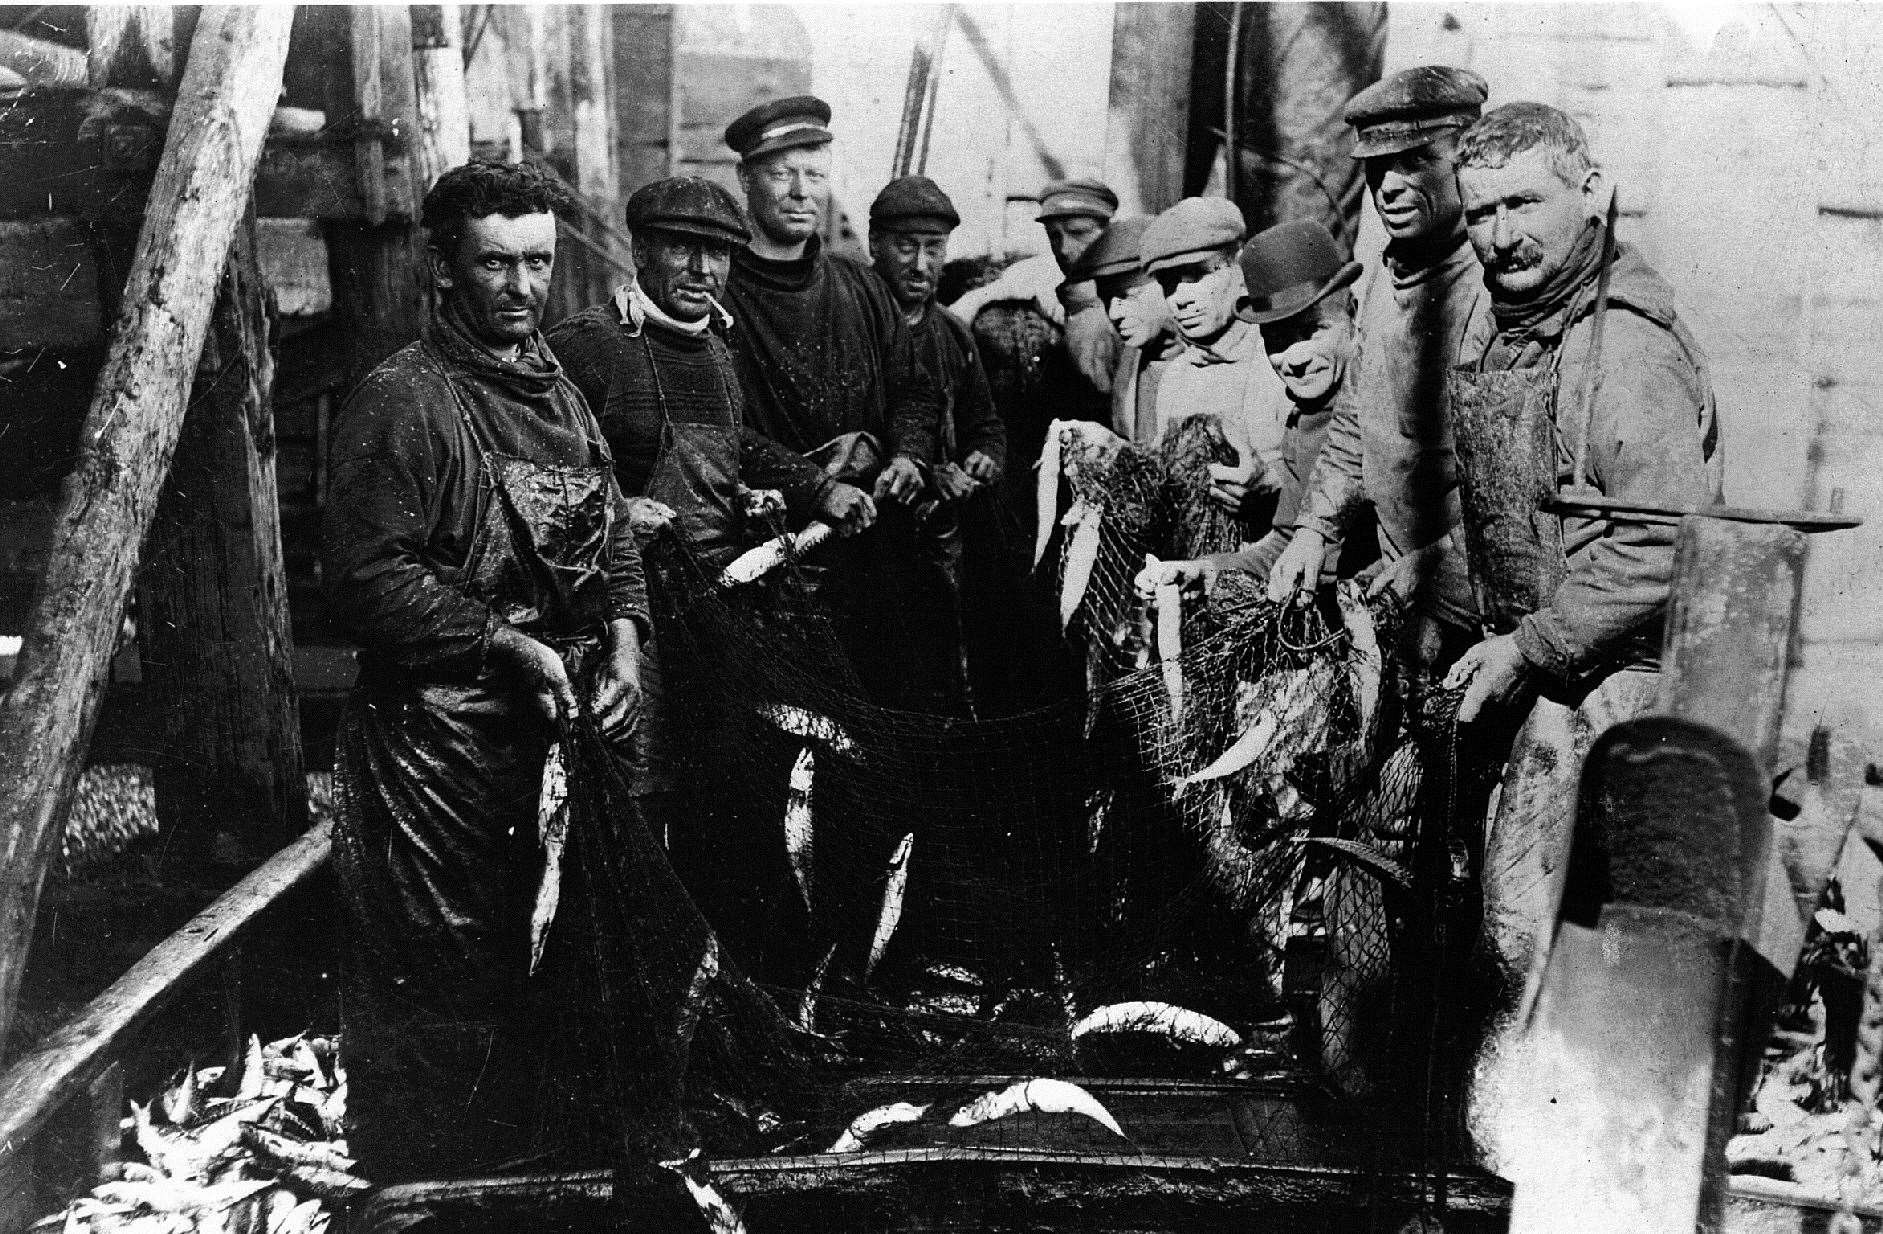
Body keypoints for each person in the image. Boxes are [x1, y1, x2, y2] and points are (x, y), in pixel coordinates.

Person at [322, 161, 649, 1180]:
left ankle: (531, 1188)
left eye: (539, 262)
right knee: (447, 978)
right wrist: (505, 641)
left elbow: (614, 531)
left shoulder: (555, 385)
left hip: (552, 737)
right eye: (495, 263)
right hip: (439, 753)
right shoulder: (402, 399)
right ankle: (431, 1196)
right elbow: (366, 581)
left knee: (555, 971)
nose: (520, 285)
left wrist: (628, 635)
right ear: (444, 269)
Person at [1440, 101, 1723, 1164]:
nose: (1499, 234)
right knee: (1509, 936)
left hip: (1623, 682)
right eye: (1480, 212)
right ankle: (1516, 1159)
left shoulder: (1625, 349)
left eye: (1524, 203)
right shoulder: (1506, 323)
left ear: (1591, 191)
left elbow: (1659, 546)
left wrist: (1526, 647)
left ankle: (1557, 1172)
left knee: (1553, 940)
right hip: (1543, 669)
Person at [545, 175, 873, 854]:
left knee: (722, 782)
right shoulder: (590, 347)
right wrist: (615, 508)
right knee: (636, 785)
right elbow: (533, 466)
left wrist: (809, 488)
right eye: (682, 249)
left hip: (713, 608)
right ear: (639, 251)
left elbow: (733, 445)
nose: (702, 270)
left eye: (717, 254)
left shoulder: (717, 352)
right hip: (626, 615)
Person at [717, 95, 951, 711]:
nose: (800, 192)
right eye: (780, 174)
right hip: (775, 560)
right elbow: (720, 431)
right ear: (746, 180)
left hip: (874, 546)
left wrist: (909, 456)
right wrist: (818, 489)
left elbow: (915, 389)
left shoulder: (859, 286)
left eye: (814, 176)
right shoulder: (720, 299)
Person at [1265, 66, 1491, 668]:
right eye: (1374, 167)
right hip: (1400, 598)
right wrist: (1317, 528)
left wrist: (1445, 566)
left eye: (1414, 160)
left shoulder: (1497, 290)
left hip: (1485, 611)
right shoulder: (1384, 285)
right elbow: (1354, 427)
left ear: (1464, 159)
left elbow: (1525, 492)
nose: (1387, 185)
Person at [1133, 218, 1369, 595]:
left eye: (1312, 332)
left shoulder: (1385, 407)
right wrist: (1203, 571)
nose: (1294, 358)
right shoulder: (1302, 419)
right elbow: (1283, 545)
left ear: (1352, 313)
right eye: (1276, 339)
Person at [865, 174, 1009, 715]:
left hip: (944, 535)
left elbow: (986, 425)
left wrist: (981, 460)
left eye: (934, 248)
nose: (921, 265)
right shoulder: (854, 320)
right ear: (875, 244)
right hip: (874, 531)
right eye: (906, 246)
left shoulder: (952, 333)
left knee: (946, 668)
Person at [1138, 196, 1294, 553]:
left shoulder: (1281, 357)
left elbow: (1337, 463)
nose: (1180, 298)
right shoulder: (1176, 377)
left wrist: (1273, 483)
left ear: (1239, 272)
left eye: (1195, 276)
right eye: (1168, 283)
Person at [947, 176, 1123, 403]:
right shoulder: (1045, 271)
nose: (1064, 249)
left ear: (1108, 230)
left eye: (1079, 232)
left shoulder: (1140, 277)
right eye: (1054, 236)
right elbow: (985, 295)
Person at [1063, 215, 1180, 446]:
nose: (1115, 313)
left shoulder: (1206, 359)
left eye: (1129, 296)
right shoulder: (1131, 355)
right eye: (1107, 299)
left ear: (1169, 284)